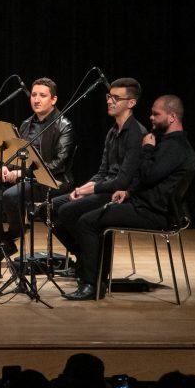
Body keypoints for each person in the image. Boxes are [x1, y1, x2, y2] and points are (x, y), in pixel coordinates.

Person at [64, 95, 195, 300]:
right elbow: (152, 181)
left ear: (172, 117)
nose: (151, 117)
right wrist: (128, 192)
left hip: (154, 213)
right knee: (91, 218)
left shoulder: (174, 147)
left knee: (87, 222)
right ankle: (95, 277)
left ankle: (91, 284)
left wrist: (146, 149)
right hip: (148, 206)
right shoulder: (171, 143)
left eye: (156, 114)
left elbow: (147, 174)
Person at [0, 77, 75, 262]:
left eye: (42, 95)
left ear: (53, 99)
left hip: (50, 181)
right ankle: (4, 244)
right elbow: (17, 154)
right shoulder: (26, 124)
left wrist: (21, 173)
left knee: (11, 195)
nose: (36, 99)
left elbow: (59, 164)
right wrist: (6, 167)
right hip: (22, 178)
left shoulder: (64, 125)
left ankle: (14, 233)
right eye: (34, 95)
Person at [51, 78, 145, 263]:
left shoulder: (136, 134)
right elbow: (102, 172)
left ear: (131, 103)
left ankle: (89, 263)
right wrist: (82, 189)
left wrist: (85, 190)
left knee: (68, 211)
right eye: (109, 96)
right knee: (50, 207)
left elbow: (122, 181)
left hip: (120, 194)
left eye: (116, 98)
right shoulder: (112, 132)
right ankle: (82, 255)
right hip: (104, 188)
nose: (109, 101)